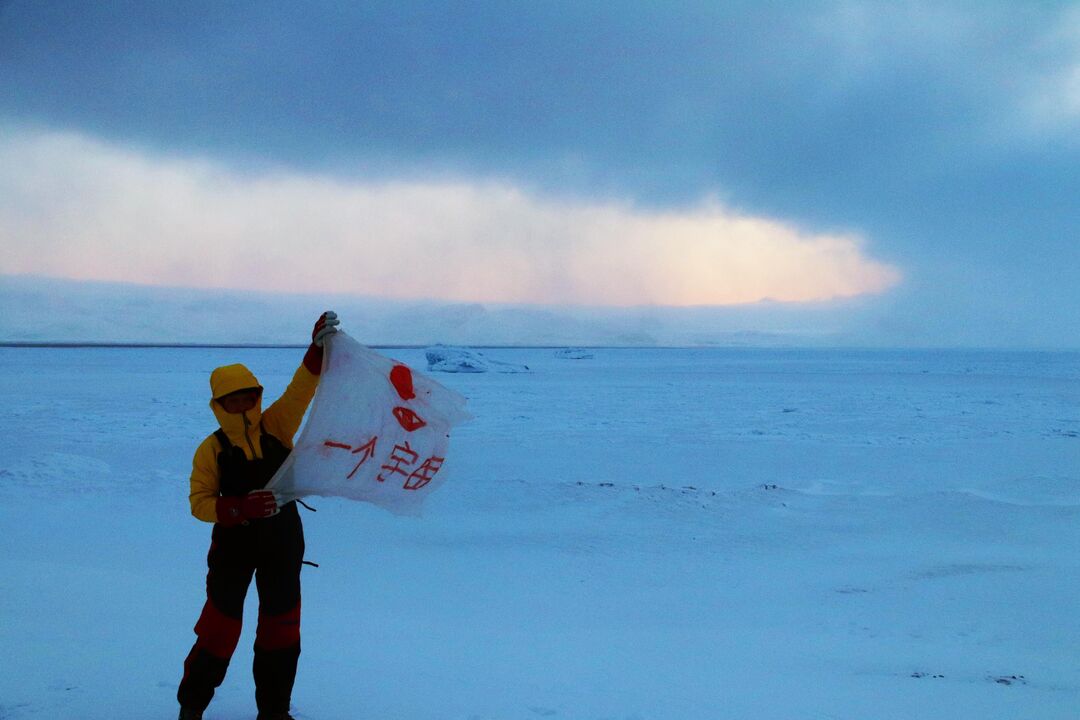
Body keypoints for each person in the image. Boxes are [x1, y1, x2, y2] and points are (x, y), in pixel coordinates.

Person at [177, 311, 340, 720]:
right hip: (233, 547)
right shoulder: (211, 449)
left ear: (257, 396)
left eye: (249, 395)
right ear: (220, 404)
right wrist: (237, 508)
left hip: (282, 544)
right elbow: (198, 503)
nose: (243, 403)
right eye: (234, 398)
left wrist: (316, 350)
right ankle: (191, 709)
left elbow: (301, 392)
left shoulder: (276, 428)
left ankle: (274, 712)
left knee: (281, 630)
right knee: (219, 630)